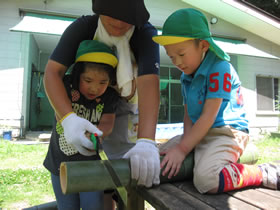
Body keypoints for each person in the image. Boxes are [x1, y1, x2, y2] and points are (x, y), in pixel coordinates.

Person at [152, 8, 279, 194]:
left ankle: (263, 173)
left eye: (181, 53)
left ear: (203, 46)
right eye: (171, 57)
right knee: (156, 157)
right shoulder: (186, 77)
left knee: (207, 181)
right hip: (200, 132)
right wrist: (185, 145)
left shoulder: (220, 68)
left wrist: (183, 149)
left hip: (226, 133)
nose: (177, 62)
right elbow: (188, 116)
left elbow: (208, 116)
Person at [44, 0, 160, 198]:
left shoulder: (145, 34)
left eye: (127, 18)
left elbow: (149, 83)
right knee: (89, 167)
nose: (119, 22)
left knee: (128, 174)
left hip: (128, 107)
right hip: (83, 106)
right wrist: (68, 118)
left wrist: (146, 140)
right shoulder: (83, 27)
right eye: (112, 14)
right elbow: (53, 73)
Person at [43, 39, 121, 209]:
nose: (95, 88)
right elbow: (59, 114)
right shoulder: (66, 86)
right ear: (77, 75)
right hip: (59, 164)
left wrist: (96, 133)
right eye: (88, 80)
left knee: (92, 207)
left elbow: (107, 123)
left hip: (91, 167)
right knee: (66, 207)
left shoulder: (109, 97)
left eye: (103, 82)